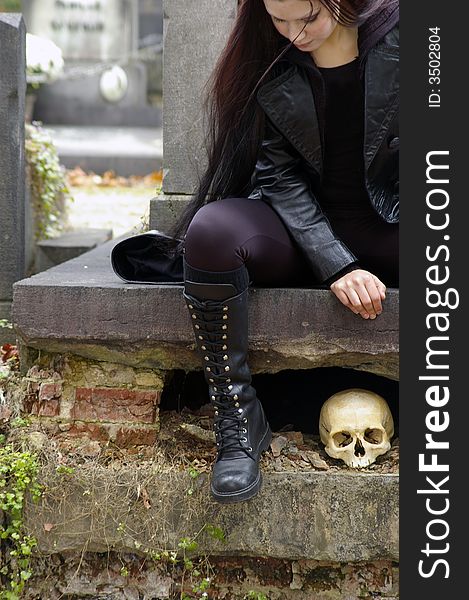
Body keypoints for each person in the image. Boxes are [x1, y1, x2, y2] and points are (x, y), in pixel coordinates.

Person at [169, 0, 399, 504]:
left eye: (308, 18)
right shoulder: (271, 60)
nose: (293, 33)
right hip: (301, 234)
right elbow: (277, 177)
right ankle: (238, 418)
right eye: (279, 19)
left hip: (396, 224)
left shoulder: (416, 37)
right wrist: (335, 263)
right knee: (211, 230)